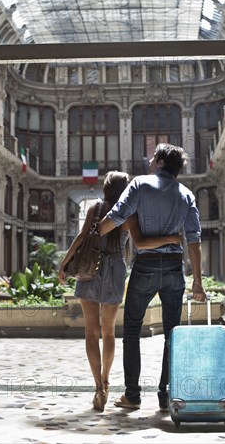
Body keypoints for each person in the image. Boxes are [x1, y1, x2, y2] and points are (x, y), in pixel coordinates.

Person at [59, 171, 180, 412]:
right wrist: (170, 239)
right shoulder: (130, 213)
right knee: (109, 332)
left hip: (90, 270)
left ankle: (98, 389)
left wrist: (65, 263)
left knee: (91, 332)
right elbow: (140, 243)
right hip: (115, 269)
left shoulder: (96, 207)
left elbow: (82, 237)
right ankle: (106, 379)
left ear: (105, 189)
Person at [99, 143, 206, 412]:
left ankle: (132, 396)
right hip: (173, 268)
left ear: (159, 161)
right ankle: (165, 397)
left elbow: (118, 215)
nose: (148, 160)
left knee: (132, 331)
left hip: (145, 267)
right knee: (172, 334)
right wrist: (198, 283)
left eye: (152, 157)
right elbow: (194, 241)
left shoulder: (139, 185)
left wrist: (93, 233)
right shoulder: (186, 195)